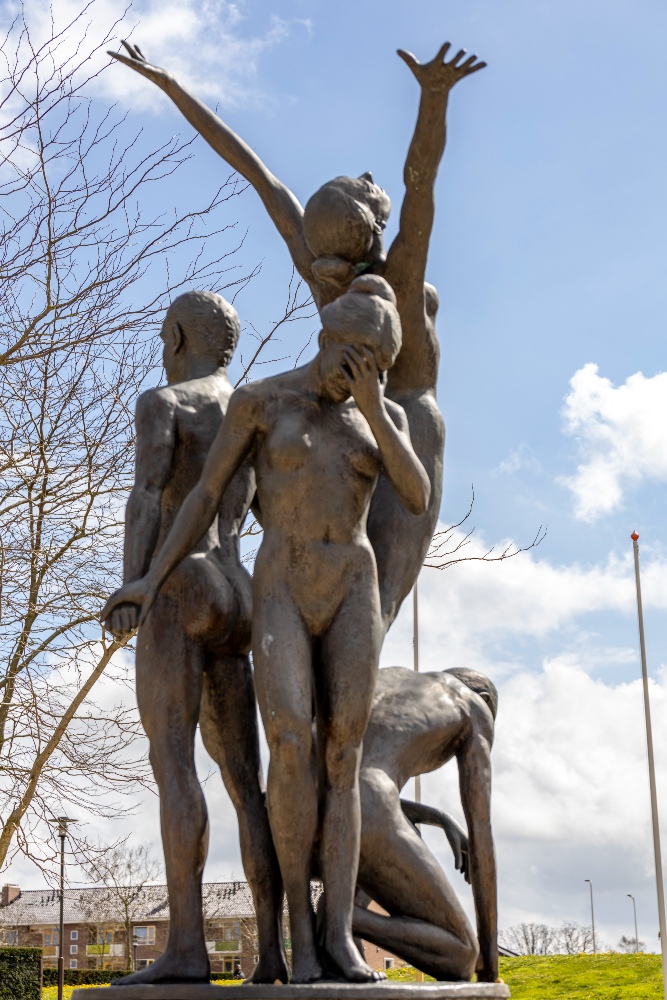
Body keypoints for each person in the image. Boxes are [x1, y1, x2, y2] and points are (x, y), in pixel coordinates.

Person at [102, 275, 430, 984]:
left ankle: (326, 938)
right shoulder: (257, 401)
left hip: (345, 583)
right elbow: (207, 496)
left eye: (377, 364)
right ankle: (290, 950)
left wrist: (375, 406)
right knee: (279, 753)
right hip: (266, 585)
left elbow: (414, 495)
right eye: (357, 359)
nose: (362, 375)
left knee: (330, 758)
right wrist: (147, 580)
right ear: (329, 342)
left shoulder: (371, 417)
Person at [107, 39, 485, 632]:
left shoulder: (351, 270)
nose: (366, 175)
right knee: (344, 590)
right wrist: (432, 100)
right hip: (372, 416)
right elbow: (419, 185)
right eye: (360, 184)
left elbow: (258, 174)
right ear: (368, 223)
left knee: (372, 606)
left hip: (398, 430)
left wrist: (174, 88)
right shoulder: (387, 275)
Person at [104, 291, 286, 986]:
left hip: (181, 586)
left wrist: (134, 585)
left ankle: (185, 947)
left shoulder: (165, 401)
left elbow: (147, 494)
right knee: (248, 783)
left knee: (173, 762)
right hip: (238, 589)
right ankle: (271, 953)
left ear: (176, 335)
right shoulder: (254, 411)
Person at [349, 665, 499, 983]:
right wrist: (488, 962)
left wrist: (441, 819)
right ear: (484, 698)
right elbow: (481, 834)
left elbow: (350, 784)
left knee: (399, 825)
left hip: (290, 805)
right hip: (358, 811)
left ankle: (334, 931)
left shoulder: (391, 680)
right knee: (461, 954)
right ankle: (344, 919)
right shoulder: (472, 705)